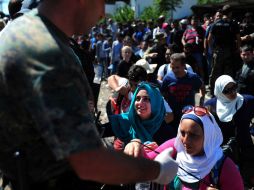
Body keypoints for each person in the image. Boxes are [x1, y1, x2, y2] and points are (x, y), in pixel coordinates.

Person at [0, 0, 179, 189]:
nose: (102, 14)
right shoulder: (50, 53)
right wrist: (157, 169)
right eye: (102, 2)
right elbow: (88, 162)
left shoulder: (14, 33)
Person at [125, 106, 244, 190]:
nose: (185, 141)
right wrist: (136, 144)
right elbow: (146, 162)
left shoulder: (225, 168)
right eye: (182, 133)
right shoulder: (175, 147)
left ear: (208, 137)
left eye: (193, 135)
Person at [204, 75, 254, 187]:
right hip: (222, 152)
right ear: (219, 91)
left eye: (234, 87)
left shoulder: (247, 101)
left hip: (245, 149)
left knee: (247, 182)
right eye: (227, 90)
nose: (233, 92)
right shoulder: (210, 105)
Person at [110, 82, 175, 149]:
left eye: (146, 99)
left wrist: (158, 150)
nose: (140, 103)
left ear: (155, 103)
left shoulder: (166, 133)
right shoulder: (124, 121)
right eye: (137, 99)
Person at [161, 53, 205, 135]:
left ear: (184, 65)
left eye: (177, 67)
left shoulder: (192, 77)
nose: (175, 70)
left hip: (188, 114)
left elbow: (201, 86)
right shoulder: (167, 78)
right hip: (173, 117)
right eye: (172, 67)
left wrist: (201, 99)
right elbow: (163, 94)